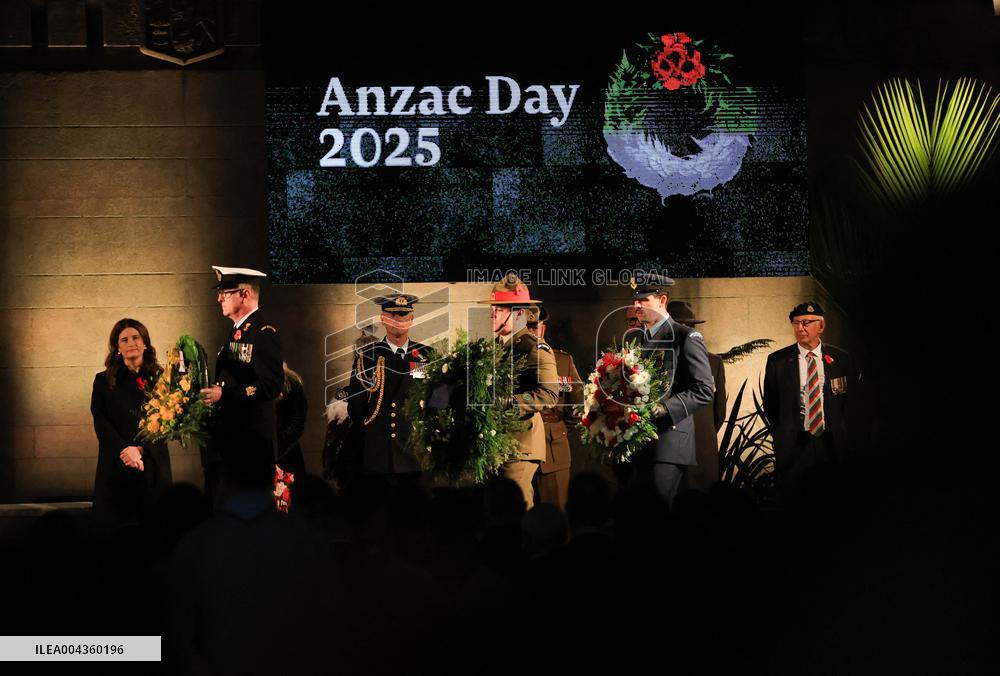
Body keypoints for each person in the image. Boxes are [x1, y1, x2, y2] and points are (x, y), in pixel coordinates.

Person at [624, 273, 714, 506]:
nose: (637, 306)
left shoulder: (685, 336)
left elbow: (704, 389)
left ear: (662, 300)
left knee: (660, 518)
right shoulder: (635, 338)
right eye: (635, 301)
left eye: (643, 300)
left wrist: (665, 407)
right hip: (635, 442)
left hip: (668, 441)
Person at [200, 266, 284, 506]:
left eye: (225, 293)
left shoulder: (263, 333)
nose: (219, 298)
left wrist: (224, 394)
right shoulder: (238, 332)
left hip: (252, 447)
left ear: (244, 294)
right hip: (233, 443)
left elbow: (271, 385)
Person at [478, 274, 559, 509]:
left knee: (517, 509)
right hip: (497, 443)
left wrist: (511, 402)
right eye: (493, 307)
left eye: (500, 308)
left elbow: (548, 394)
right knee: (498, 510)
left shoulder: (535, 348)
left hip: (521, 443)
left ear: (518, 313)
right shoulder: (494, 348)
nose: (493, 312)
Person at [763, 301, 852, 499]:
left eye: (806, 322)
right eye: (796, 323)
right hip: (794, 443)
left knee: (833, 497)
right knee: (793, 498)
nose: (800, 328)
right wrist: (783, 432)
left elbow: (849, 402)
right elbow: (770, 403)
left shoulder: (840, 358)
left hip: (831, 441)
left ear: (821, 326)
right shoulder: (777, 360)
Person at [91, 318, 172, 529]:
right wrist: (125, 450)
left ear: (145, 343)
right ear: (117, 348)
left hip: (152, 462)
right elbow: (101, 421)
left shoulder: (161, 378)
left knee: (155, 530)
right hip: (117, 463)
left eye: (136, 337)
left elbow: (168, 422)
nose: (131, 343)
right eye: (124, 340)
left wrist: (141, 450)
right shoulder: (103, 381)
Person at [347, 293, 432, 484]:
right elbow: (356, 406)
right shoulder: (368, 357)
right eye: (392, 315)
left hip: (414, 451)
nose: (398, 320)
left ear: (411, 319)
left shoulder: (426, 356)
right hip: (379, 453)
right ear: (383, 319)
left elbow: (437, 398)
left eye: (403, 315)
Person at [527, 305, 583, 510]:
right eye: (527, 327)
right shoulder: (508, 360)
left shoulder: (562, 361)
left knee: (556, 513)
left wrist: (559, 427)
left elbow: (577, 403)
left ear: (543, 328)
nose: (531, 332)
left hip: (553, 449)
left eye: (535, 327)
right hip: (519, 449)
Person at [668, 300, 727, 491]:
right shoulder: (653, 362)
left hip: (702, 451)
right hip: (668, 454)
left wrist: (702, 435)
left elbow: (719, 412)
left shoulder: (713, 362)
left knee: (704, 512)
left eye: (690, 326)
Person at [276, 362, 308, 478]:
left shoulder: (292, 384)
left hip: (286, 453)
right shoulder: (255, 384)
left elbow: (297, 423)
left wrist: (280, 444)